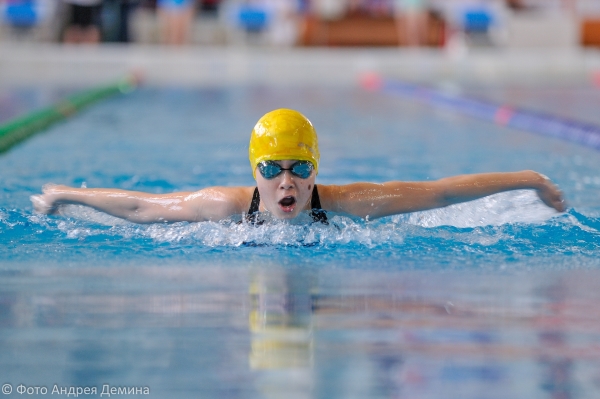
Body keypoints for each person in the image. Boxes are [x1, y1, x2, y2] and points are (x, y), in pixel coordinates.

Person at [31, 109, 566, 224]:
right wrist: (67, 193)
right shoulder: (224, 207)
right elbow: (141, 206)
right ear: (254, 172)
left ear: (315, 169)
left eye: (298, 168)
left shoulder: (349, 203)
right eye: (272, 168)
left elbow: (440, 193)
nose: (286, 181)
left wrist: (530, 178)